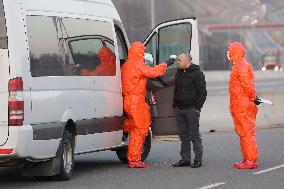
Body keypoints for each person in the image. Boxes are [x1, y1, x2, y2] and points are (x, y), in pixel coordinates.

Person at [121, 41, 167, 168]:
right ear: (140, 53)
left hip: (127, 100)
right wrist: (165, 64)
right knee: (140, 129)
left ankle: (121, 128)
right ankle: (134, 159)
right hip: (137, 101)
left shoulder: (125, 66)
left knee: (133, 125)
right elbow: (154, 73)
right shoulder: (138, 65)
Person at [227, 42, 259, 169]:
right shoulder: (239, 66)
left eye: (229, 51)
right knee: (244, 133)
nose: (228, 53)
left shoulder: (240, 66)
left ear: (234, 51)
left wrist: (252, 97)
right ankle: (248, 158)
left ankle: (250, 160)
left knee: (246, 134)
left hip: (242, 106)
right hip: (239, 106)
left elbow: (247, 85)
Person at [172, 53, 207, 168]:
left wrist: (197, 108)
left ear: (187, 61)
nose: (178, 62)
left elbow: (203, 93)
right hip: (179, 109)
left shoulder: (197, 74)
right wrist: (175, 105)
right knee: (184, 136)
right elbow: (176, 90)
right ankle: (185, 159)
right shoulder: (178, 73)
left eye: (179, 60)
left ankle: (198, 159)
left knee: (194, 135)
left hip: (191, 109)